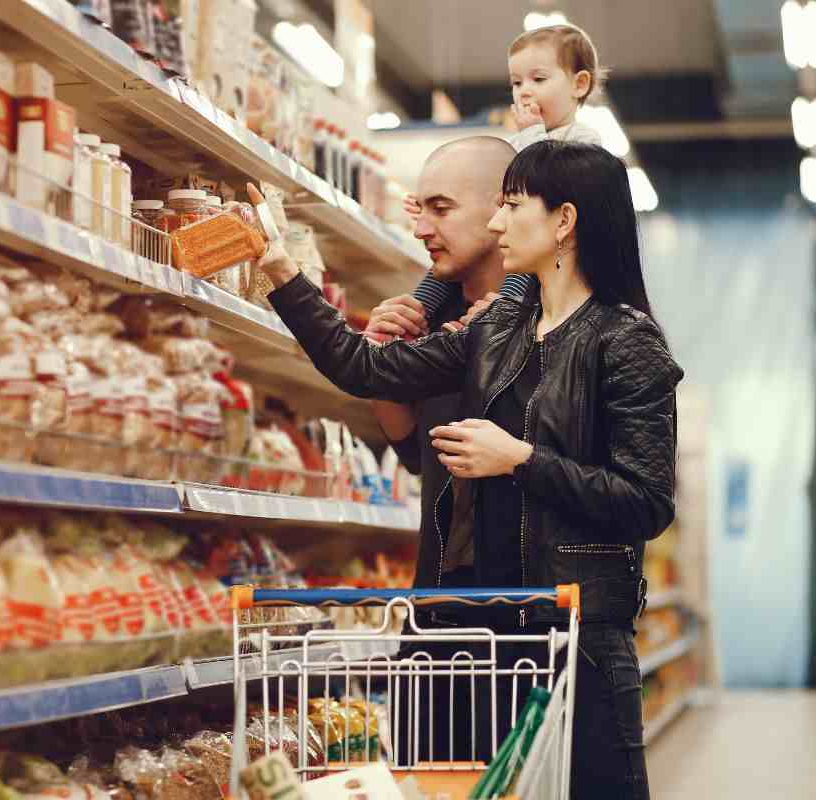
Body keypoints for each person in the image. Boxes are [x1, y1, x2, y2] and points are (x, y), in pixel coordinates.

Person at [250, 140, 682, 798]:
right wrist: (281, 269)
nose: (499, 223)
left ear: (563, 221)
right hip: (470, 629)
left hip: (571, 638)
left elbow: (647, 503)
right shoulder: (496, 331)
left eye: (512, 206)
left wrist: (521, 460)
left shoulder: (625, 341)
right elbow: (365, 369)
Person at [364, 136, 520, 592]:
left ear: (500, 210)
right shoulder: (431, 318)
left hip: (526, 611)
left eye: (442, 208)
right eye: (420, 209)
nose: (420, 230)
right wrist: (381, 361)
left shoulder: (545, 323)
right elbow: (418, 457)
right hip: (436, 603)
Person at [402, 23, 606, 333]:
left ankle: (503, 315)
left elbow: (550, 184)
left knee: (525, 258)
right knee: (445, 265)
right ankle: (418, 314)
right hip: (522, 243)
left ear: (579, 85)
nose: (524, 90)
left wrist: (533, 135)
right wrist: (433, 208)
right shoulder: (515, 143)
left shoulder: (583, 143)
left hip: (553, 253)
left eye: (538, 79)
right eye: (516, 82)